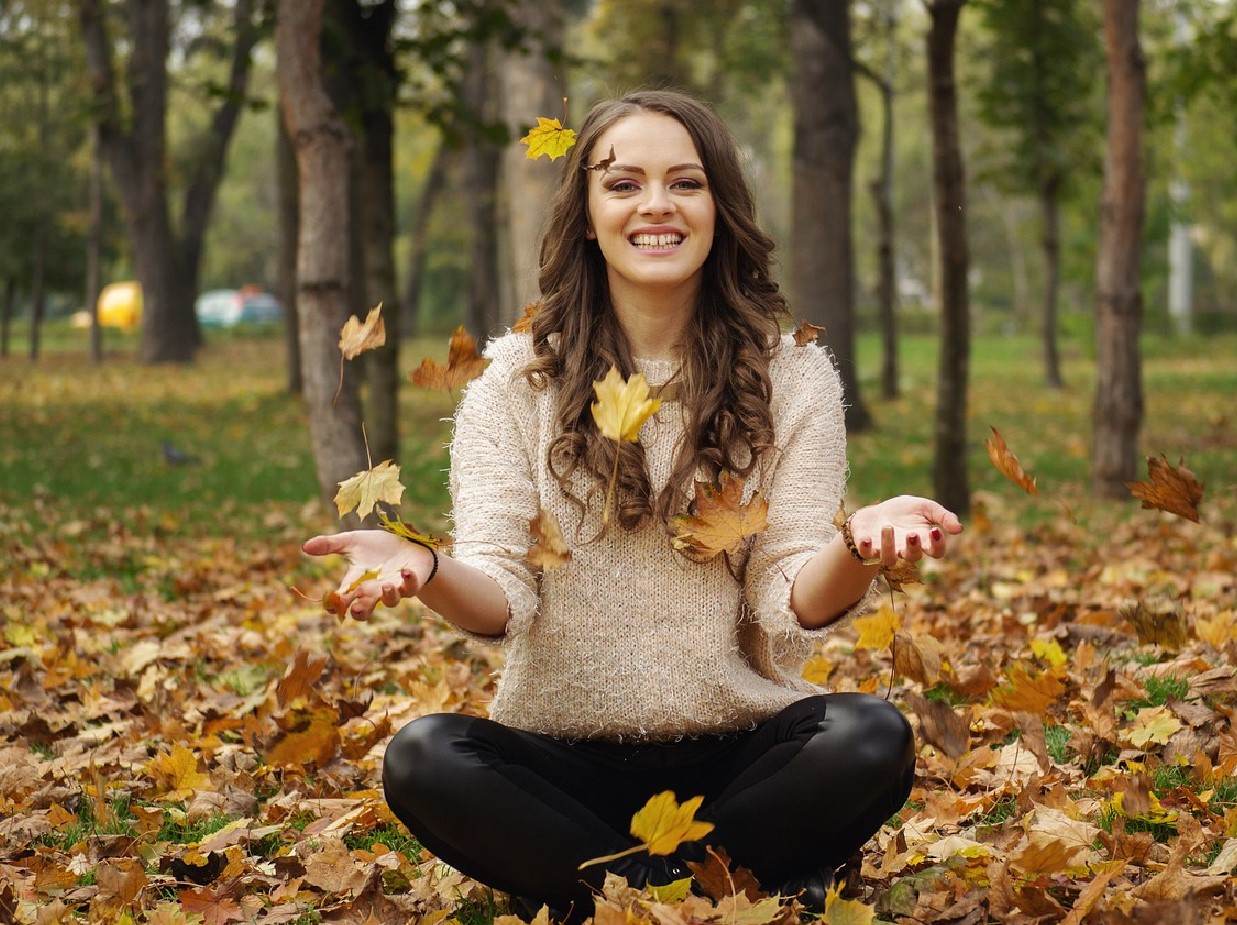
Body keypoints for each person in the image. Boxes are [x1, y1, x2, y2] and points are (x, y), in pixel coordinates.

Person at [302, 89, 963, 922]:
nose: (656, 204)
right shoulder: (513, 382)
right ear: (585, 213)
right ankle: (709, 895)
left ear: (719, 206)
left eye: (685, 182)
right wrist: (428, 567)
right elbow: (503, 596)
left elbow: (790, 595)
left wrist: (859, 546)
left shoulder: (792, 377)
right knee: (426, 756)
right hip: (564, 773)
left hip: (741, 762)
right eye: (623, 184)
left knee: (870, 736)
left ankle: (619, 901)